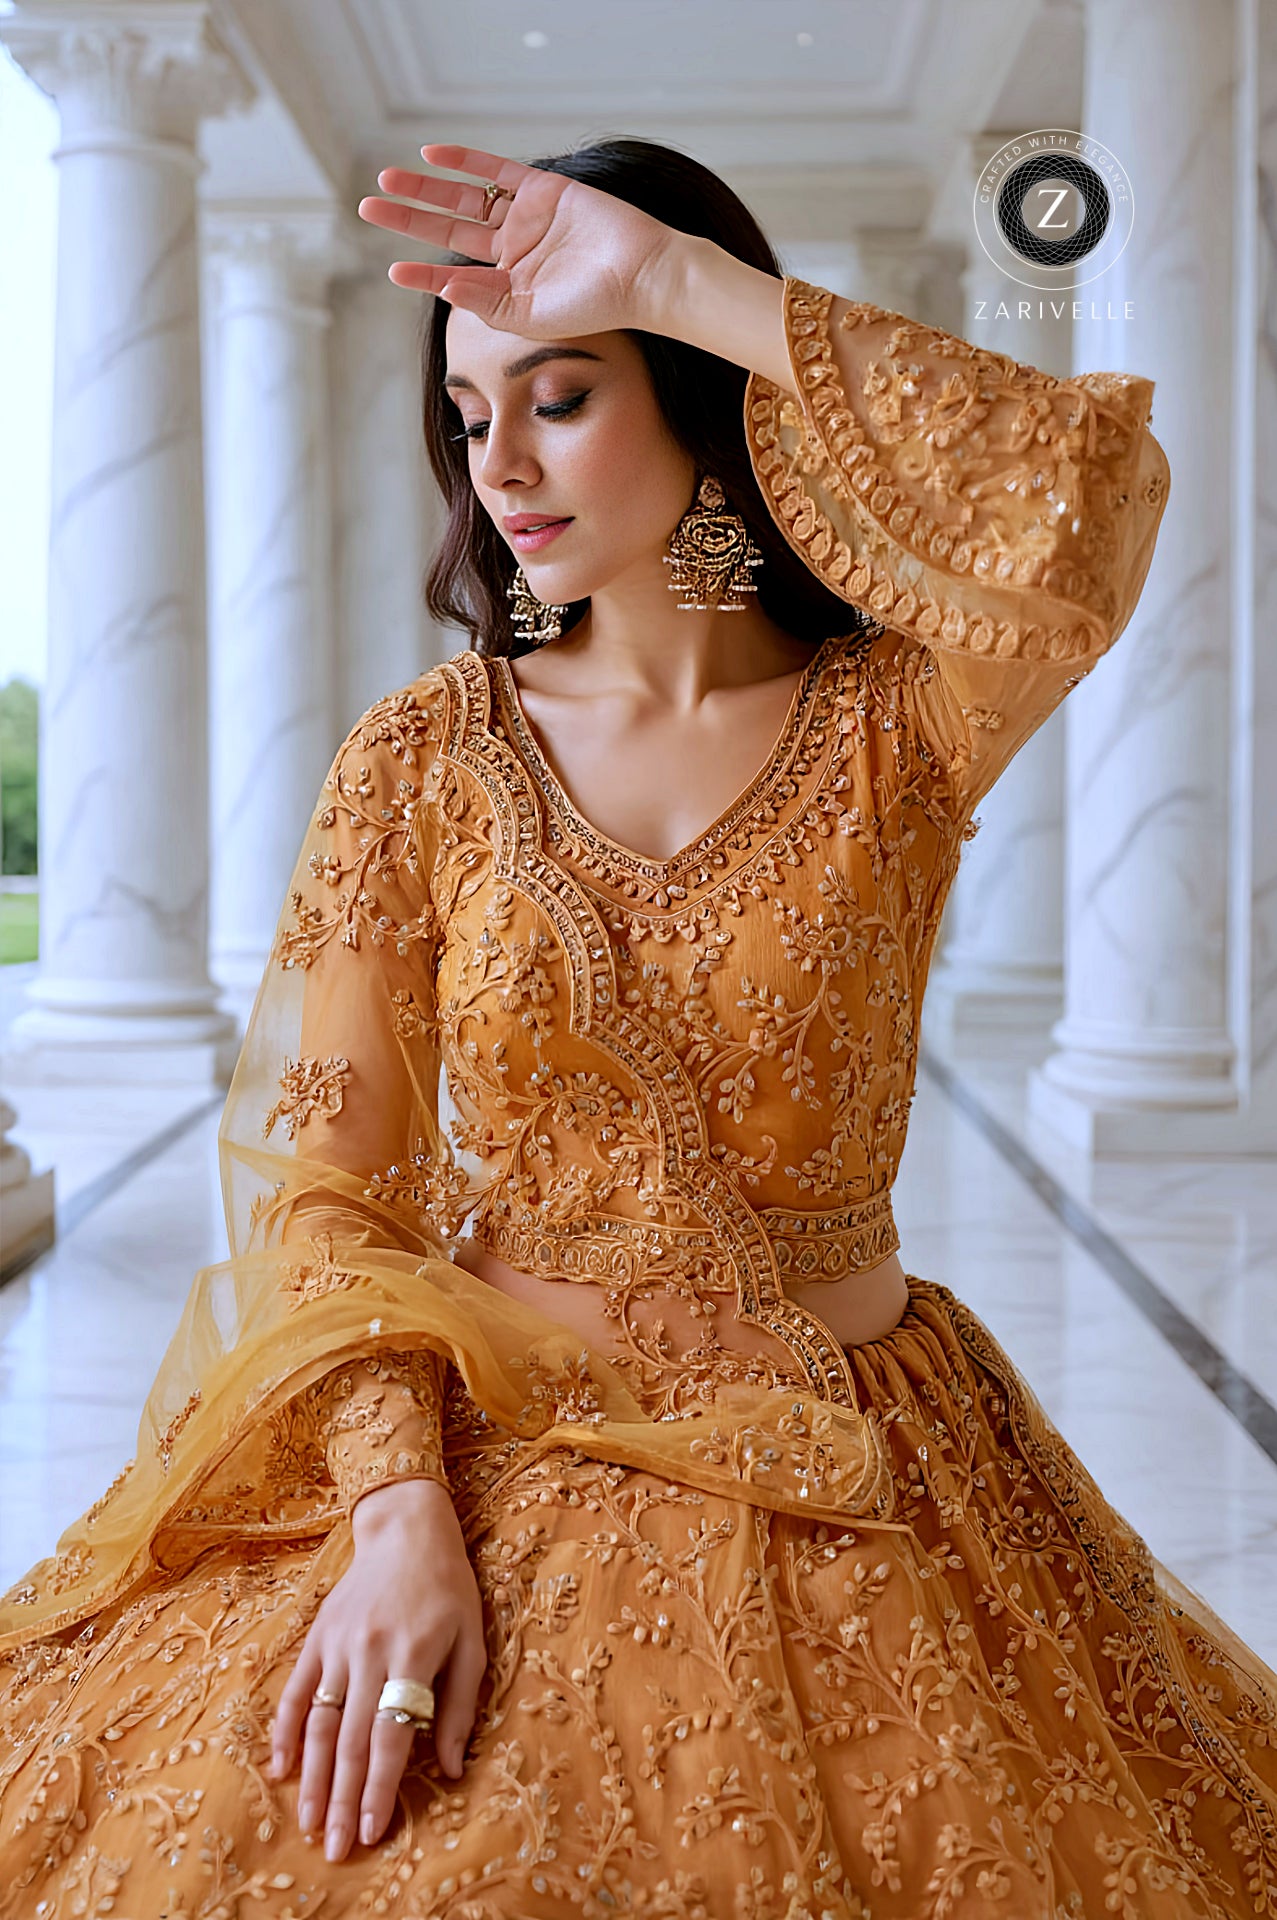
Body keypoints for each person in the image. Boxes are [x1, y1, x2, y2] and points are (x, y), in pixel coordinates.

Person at [0, 132, 1273, 1920]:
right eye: (465, 411)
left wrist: (675, 276)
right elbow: (322, 1192)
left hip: (862, 1456)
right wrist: (396, 1517)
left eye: (562, 392)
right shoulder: (424, 756)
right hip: (483, 1459)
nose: (497, 462)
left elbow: (1088, 486)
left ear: (692, 391)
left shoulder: (898, 724)